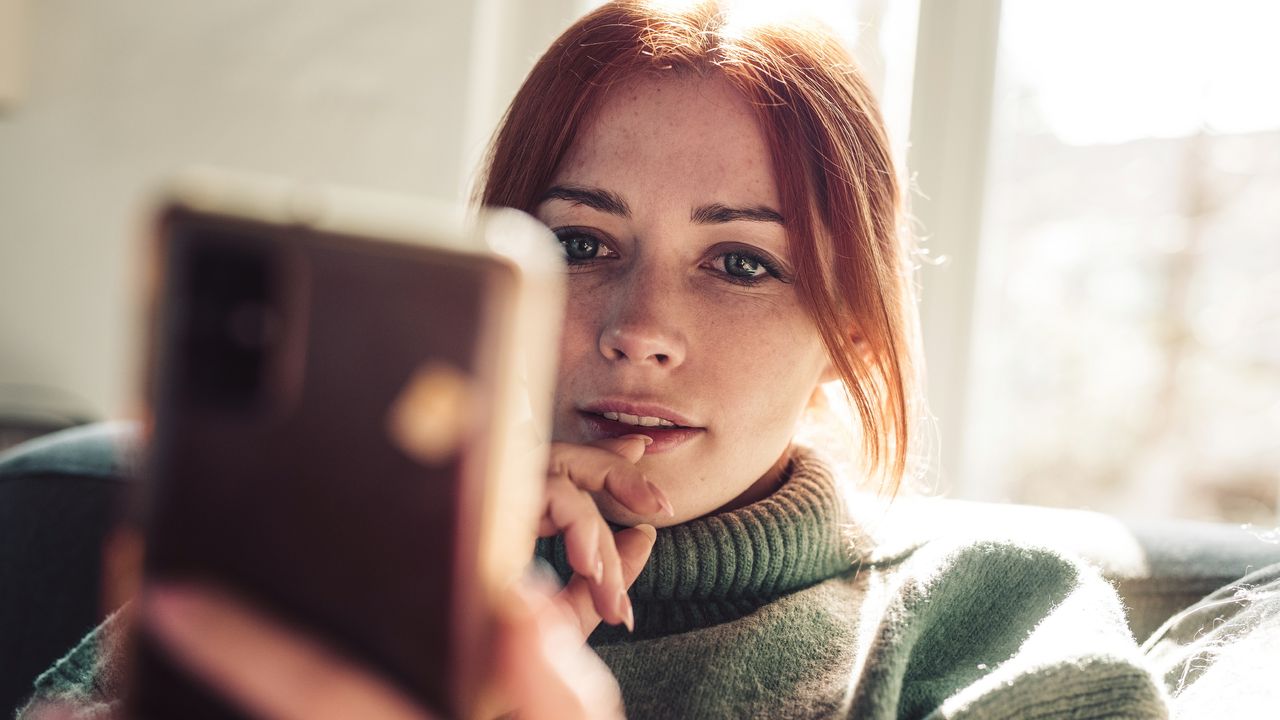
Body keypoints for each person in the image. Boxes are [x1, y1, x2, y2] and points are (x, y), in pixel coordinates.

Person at [17, 1, 1187, 718]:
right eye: (581, 244)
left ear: (852, 332)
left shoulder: (989, 615)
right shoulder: (311, 564)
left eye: (738, 263)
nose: (639, 324)